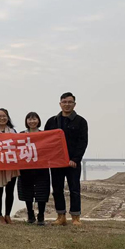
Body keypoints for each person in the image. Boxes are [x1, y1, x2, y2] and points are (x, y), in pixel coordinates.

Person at [45, 92, 88, 226]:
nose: (67, 104)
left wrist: (75, 159)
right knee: (57, 189)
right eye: (64, 102)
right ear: (60, 104)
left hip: (72, 163)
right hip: (56, 162)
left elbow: (83, 142)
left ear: (74, 104)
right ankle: (61, 216)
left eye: (70, 102)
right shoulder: (52, 121)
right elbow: (45, 141)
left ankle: (75, 217)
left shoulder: (81, 121)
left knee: (74, 189)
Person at [17, 112, 50, 225]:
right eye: (29, 119)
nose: (32, 121)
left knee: (42, 192)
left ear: (38, 120)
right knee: (27, 192)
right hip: (25, 169)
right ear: (26, 121)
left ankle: (41, 216)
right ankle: (30, 215)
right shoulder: (21, 135)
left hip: (41, 169)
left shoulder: (44, 135)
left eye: (34, 119)